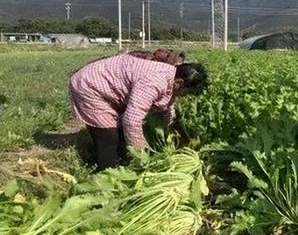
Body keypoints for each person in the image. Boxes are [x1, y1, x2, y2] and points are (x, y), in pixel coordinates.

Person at [69, 49, 208, 170]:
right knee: (108, 137)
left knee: (119, 134)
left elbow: (168, 105)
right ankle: (107, 176)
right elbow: (131, 120)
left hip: (103, 83)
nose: (183, 96)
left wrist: (171, 127)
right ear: (179, 83)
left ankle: (118, 161)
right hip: (90, 86)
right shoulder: (155, 82)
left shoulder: (171, 75)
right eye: (185, 93)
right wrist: (141, 156)